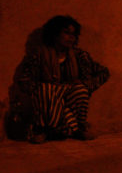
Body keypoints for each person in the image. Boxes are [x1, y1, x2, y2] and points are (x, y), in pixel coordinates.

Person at [14, 15, 110, 143]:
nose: (71, 37)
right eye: (66, 33)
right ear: (54, 34)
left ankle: (78, 127)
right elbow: (24, 80)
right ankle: (42, 129)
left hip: (68, 100)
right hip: (50, 102)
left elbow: (104, 72)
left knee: (81, 90)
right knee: (46, 89)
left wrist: (86, 84)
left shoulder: (78, 55)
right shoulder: (39, 54)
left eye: (74, 34)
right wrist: (41, 89)